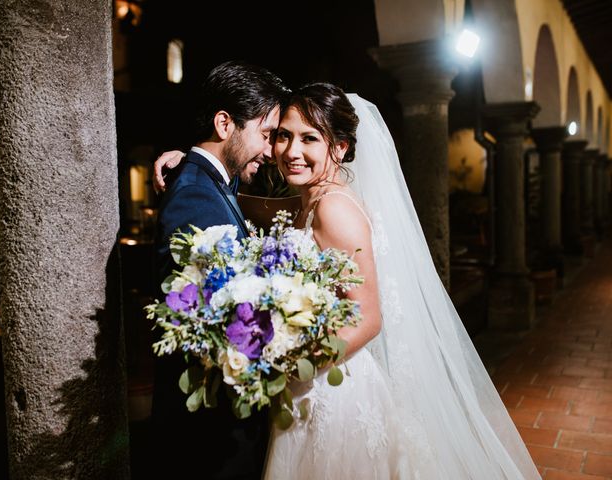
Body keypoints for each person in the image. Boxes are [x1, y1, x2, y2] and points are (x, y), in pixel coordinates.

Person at [153, 83, 541, 479]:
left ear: (338, 148)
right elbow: (245, 204)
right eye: (283, 135)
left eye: (309, 139)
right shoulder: (311, 200)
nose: (289, 151)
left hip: (331, 392)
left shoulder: (334, 209)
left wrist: (286, 366)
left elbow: (368, 317)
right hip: (309, 387)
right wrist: (193, 163)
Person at [150, 60, 289, 479]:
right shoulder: (195, 195)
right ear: (225, 123)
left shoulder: (211, 185)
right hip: (208, 434)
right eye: (265, 135)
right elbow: (209, 320)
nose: (271, 151)